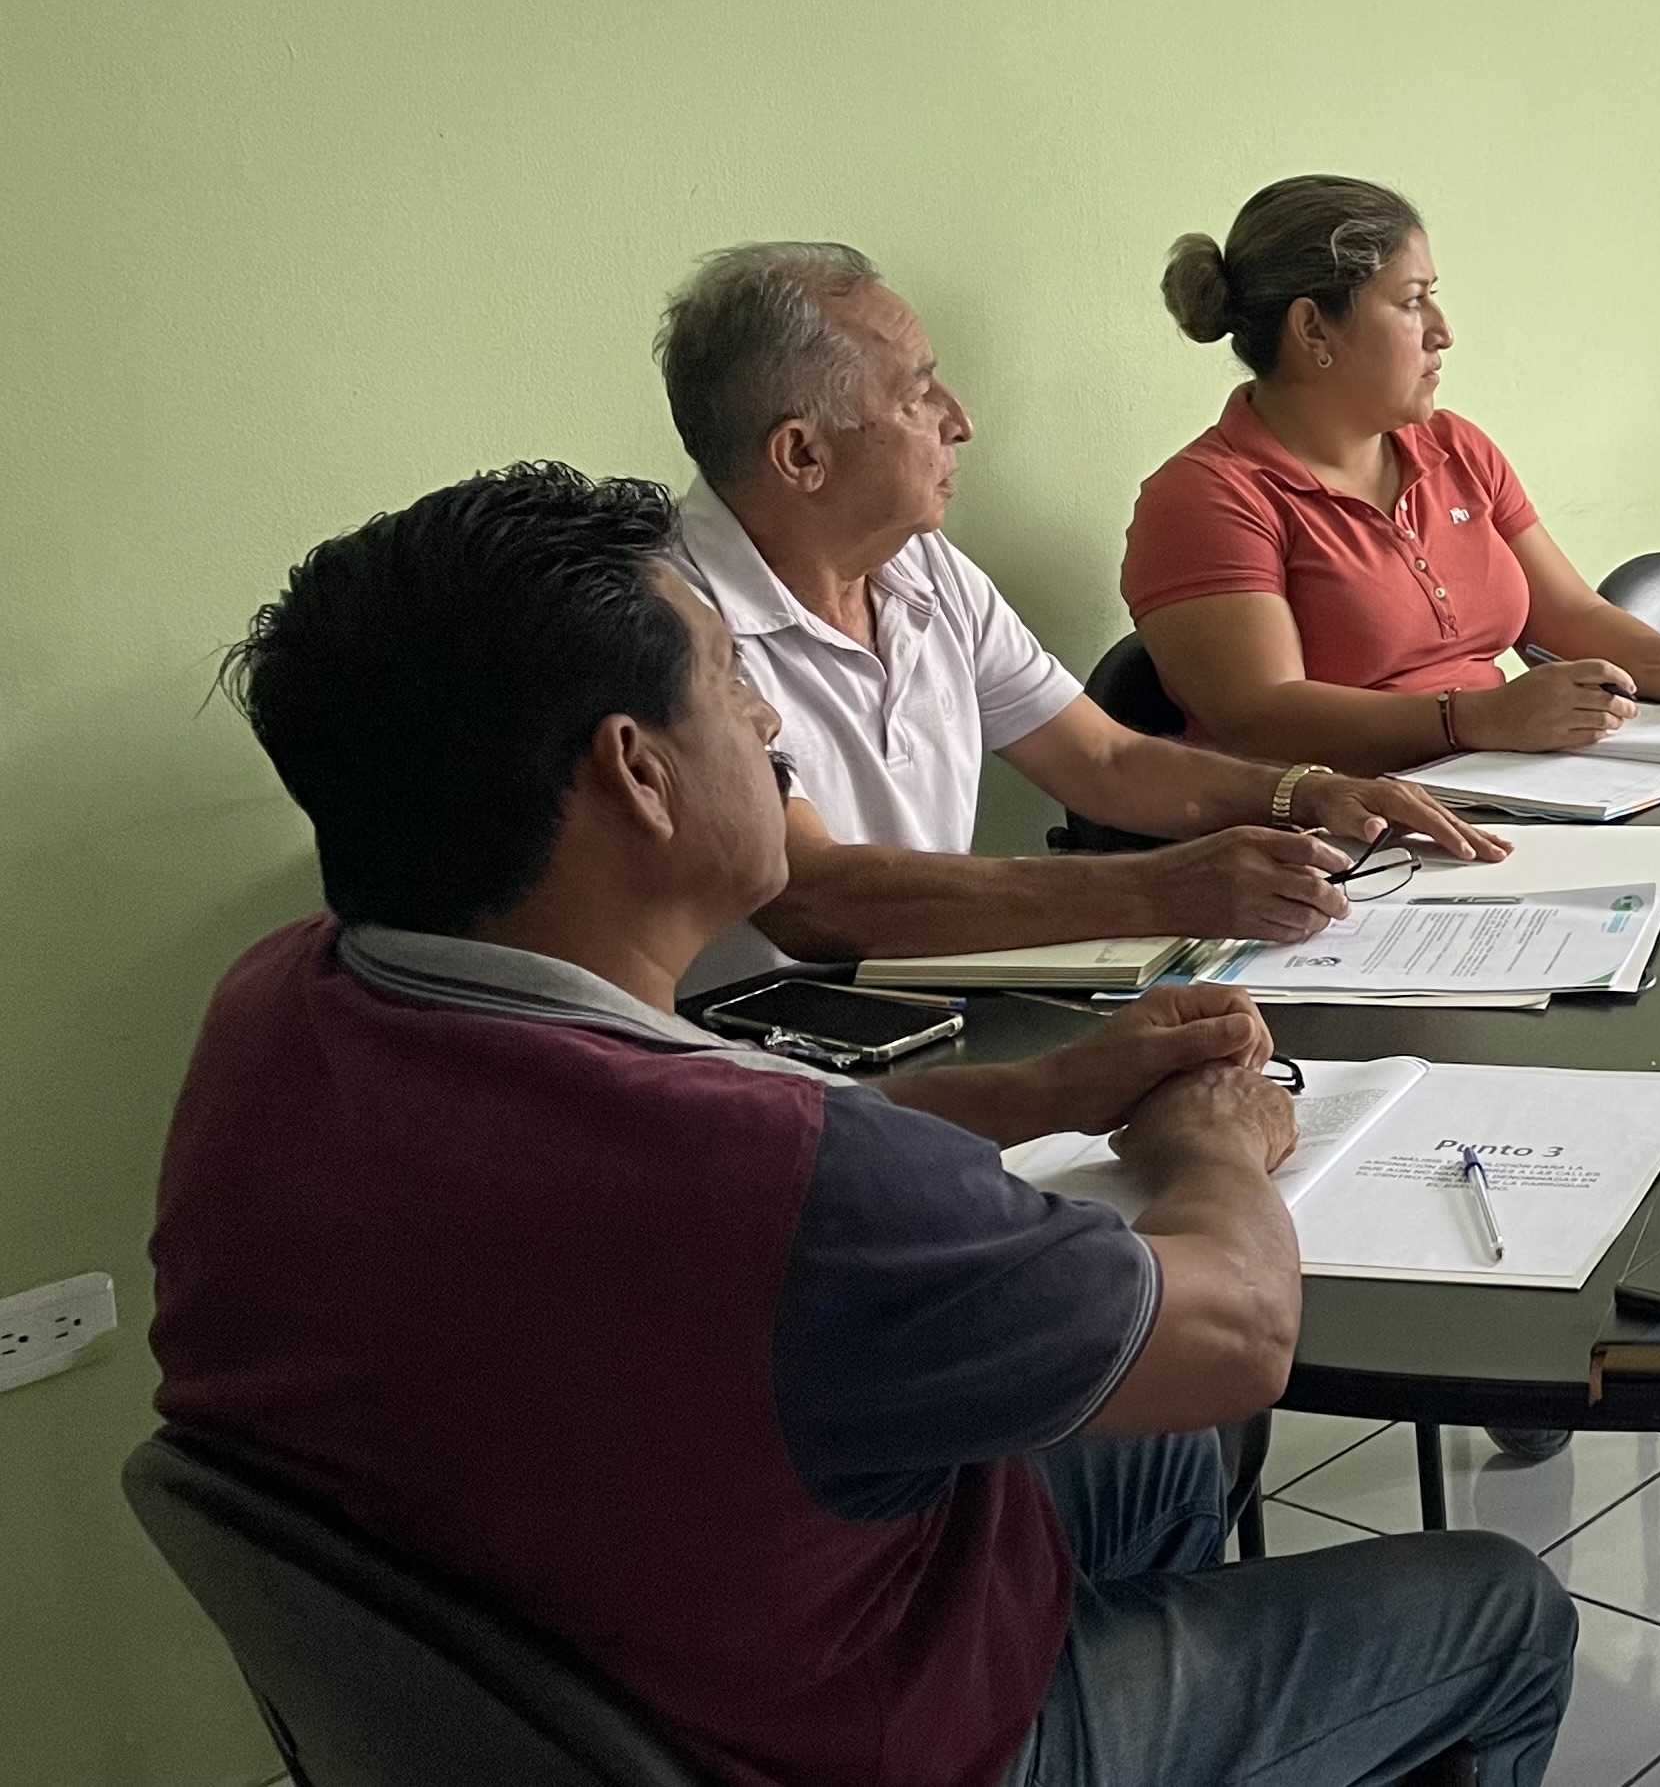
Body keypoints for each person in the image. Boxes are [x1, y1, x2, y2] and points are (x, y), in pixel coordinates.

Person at [153, 464, 1575, 1787]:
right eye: (732, 683)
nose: (769, 726)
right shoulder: (776, 1173)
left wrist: (1040, 1091)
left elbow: (729, 1174)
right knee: (1497, 1608)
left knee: (1157, 1451)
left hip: (601, 1645)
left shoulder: (279, 1005)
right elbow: (1241, 1333)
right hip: (849, 1739)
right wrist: (1214, 1144)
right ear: (636, 771)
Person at [654, 242, 1505, 998]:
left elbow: (1104, 760)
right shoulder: (667, 620)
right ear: (802, 454)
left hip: (920, 1003)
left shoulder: (920, 566)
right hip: (743, 1046)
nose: (961, 421)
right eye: (917, 397)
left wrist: (1310, 793)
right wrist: (1159, 888)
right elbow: (810, 896)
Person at [1125, 174, 1660, 769]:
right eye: (1412, 302)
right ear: (1313, 329)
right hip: (1344, 829)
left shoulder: (1456, 446)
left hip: (1503, 785)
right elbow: (1260, 718)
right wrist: (1476, 719)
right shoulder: (1206, 497)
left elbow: (1567, 614)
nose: (1442, 331)